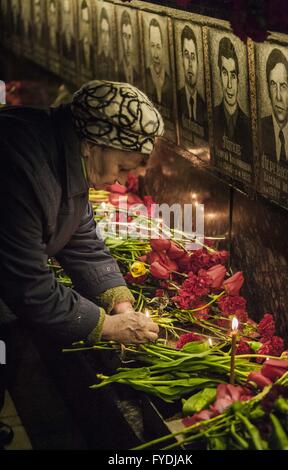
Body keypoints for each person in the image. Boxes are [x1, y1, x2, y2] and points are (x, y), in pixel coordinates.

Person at [0, 81, 163, 440]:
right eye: (123, 166)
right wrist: (107, 326)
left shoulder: (65, 151)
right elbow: (28, 285)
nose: (125, 178)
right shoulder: (20, 161)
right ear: (94, 144)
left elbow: (80, 235)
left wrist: (119, 303)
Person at [261, 48, 288, 173]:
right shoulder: (258, 129)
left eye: (283, 86)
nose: (278, 96)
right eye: (273, 85)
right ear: (268, 90)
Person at [214, 36, 252, 163]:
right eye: (225, 74)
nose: (230, 85)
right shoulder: (211, 115)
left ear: (239, 79)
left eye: (233, 75)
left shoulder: (249, 125)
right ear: (219, 75)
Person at [177, 25, 207, 135]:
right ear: (181, 59)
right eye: (186, 56)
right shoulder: (175, 99)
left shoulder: (205, 107)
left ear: (199, 62)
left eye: (193, 57)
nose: (190, 64)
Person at [145, 18, 172, 109]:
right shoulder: (145, 75)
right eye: (152, 46)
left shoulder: (169, 80)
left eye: (158, 47)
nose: (155, 54)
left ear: (163, 47)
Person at [119, 10, 140, 85]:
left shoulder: (138, 73)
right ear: (121, 38)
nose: (128, 45)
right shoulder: (117, 69)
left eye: (130, 37)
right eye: (125, 36)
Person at [97, 7, 115, 80]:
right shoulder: (98, 56)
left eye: (106, 32)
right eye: (102, 31)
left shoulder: (115, 60)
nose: (104, 38)